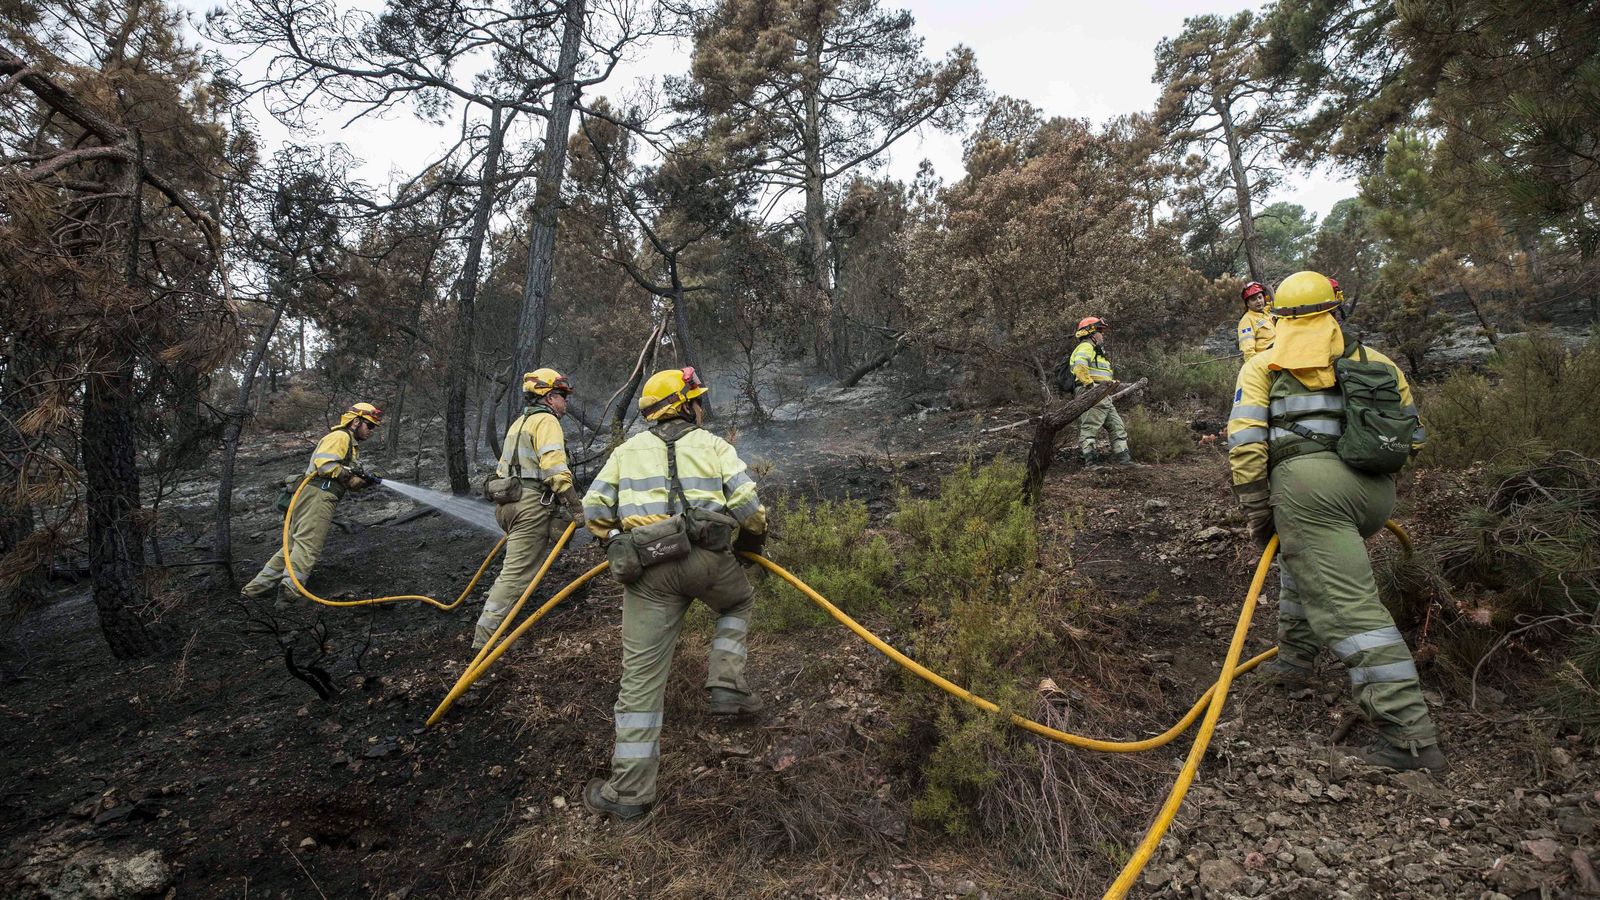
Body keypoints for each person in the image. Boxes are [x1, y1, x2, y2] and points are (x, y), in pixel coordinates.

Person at [1225, 270, 1444, 772]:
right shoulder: (1379, 363)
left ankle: (1409, 738)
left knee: (1351, 612)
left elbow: (1245, 450)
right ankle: (1295, 664)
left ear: (1277, 316)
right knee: (1307, 569)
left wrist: (1260, 516)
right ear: (1336, 308)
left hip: (1310, 496)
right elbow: (1412, 438)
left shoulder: (1263, 365)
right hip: (1375, 493)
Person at [579, 366, 768, 821]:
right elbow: (751, 512)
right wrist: (749, 548)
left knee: (640, 680)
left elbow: (593, 508)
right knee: (737, 601)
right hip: (709, 561)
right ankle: (726, 685)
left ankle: (628, 793)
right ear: (684, 406)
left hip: (648, 572)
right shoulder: (715, 446)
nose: (702, 407)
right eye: (697, 399)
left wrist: (614, 543)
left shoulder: (626, 452)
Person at [472, 368, 582, 650]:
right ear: (548, 397)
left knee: (515, 568)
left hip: (509, 505)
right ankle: (486, 640)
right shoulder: (546, 421)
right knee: (516, 574)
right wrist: (574, 503)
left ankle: (491, 625)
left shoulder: (519, 423)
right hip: (531, 505)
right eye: (561, 395)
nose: (565, 402)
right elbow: (554, 467)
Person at [243, 402, 383, 603]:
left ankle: (254, 589)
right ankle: (291, 592)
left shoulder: (348, 443)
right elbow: (326, 466)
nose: (371, 431)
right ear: (355, 422)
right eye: (369, 426)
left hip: (312, 494)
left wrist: (364, 480)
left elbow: (345, 479)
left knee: (292, 546)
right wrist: (351, 472)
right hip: (319, 494)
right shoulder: (340, 437)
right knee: (309, 546)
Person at [1068, 316, 1131, 467]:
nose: (1102, 335)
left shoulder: (1096, 350)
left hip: (1103, 394)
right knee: (1090, 426)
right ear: (1091, 333)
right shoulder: (1086, 347)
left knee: (1117, 426)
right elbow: (1080, 367)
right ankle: (1091, 463)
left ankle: (1125, 461)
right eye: (1100, 331)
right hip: (1092, 392)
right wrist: (1090, 387)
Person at [1237, 281, 1276, 361]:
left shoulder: (1266, 314)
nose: (1258, 301)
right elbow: (1247, 348)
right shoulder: (1247, 320)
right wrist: (1253, 365)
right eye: (1253, 299)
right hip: (1265, 361)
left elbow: (1270, 304)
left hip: (1277, 356)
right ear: (1248, 303)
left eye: (1260, 297)